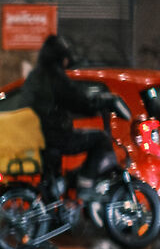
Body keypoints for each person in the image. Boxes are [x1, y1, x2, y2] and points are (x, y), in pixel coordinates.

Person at [15, 34, 114, 198]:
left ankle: (54, 210)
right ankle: (85, 183)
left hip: (36, 134)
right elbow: (75, 99)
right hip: (53, 134)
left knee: (51, 179)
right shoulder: (55, 76)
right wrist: (94, 106)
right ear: (61, 57)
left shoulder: (36, 75)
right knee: (101, 139)